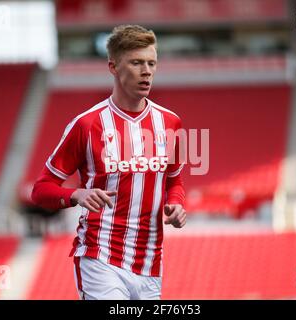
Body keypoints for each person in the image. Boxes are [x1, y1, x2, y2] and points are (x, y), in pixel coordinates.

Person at [32, 25, 186, 300]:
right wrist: (76, 194)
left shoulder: (170, 122)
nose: (147, 70)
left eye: (152, 63)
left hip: (150, 264)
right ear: (113, 67)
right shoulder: (87, 124)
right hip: (100, 257)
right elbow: (41, 190)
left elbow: (174, 181)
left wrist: (176, 205)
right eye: (137, 63)